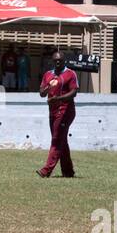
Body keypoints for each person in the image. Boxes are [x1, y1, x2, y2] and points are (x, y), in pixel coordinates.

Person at [37, 50, 78, 178]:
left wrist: (58, 99)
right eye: (55, 60)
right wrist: (45, 90)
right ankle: (68, 172)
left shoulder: (70, 74)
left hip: (66, 110)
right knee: (61, 140)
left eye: (60, 60)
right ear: (52, 61)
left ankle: (46, 170)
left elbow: (74, 92)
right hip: (53, 111)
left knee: (56, 139)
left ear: (64, 60)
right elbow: (41, 93)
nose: (58, 62)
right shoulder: (48, 75)